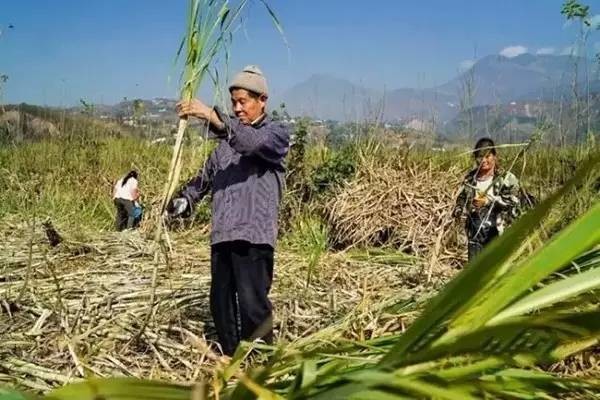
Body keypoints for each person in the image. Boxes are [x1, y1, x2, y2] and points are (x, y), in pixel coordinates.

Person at [167, 65, 290, 356]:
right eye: (233, 102)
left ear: (262, 100)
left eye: (242, 101)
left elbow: (250, 142)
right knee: (219, 302)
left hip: (253, 236)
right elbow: (203, 179)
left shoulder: (275, 135)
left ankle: (261, 362)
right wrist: (182, 200)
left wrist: (213, 117)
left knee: (252, 303)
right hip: (222, 235)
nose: (236, 108)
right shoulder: (223, 148)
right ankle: (232, 359)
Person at [453, 138, 521, 261]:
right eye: (479, 157)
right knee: (474, 270)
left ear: (494, 156)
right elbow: (462, 198)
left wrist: (489, 201)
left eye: (487, 156)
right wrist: (459, 209)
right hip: (475, 233)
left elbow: (514, 203)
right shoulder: (470, 179)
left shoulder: (505, 179)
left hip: (497, 233)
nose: (483, 160)